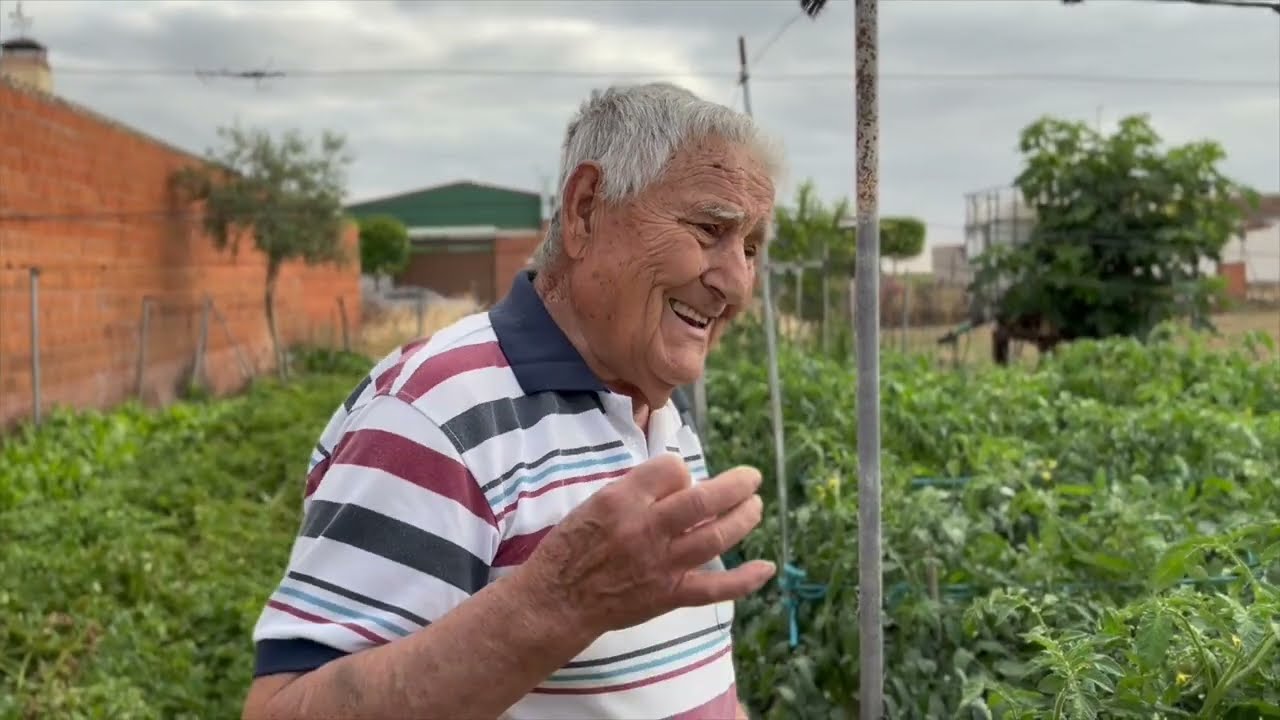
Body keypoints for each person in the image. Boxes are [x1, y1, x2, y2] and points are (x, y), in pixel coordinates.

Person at [241, 82, 784, 720]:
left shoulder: (657, 408)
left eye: (750, 247)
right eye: (709, 229)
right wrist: (557, 602)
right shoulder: (437, 412)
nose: (737, 283)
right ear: (585, 211)